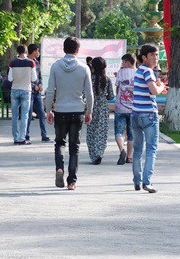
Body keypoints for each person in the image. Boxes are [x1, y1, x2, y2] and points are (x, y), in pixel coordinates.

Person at [45, 36, 93, 190]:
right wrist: (89, 111)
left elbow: (50, 90)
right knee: (74, 146)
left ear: (63, 49)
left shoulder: (55, 66)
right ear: (78, 50)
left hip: (60, 110)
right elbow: (89, 93)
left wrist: (48, 110)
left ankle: (59, 168)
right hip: (77, 110)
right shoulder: (84, 68)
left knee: (60, 143)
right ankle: (71, 182)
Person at [131, 43, 166, 193]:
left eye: (157, 55)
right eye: (152, 55)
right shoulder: (148, 71)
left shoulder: (139, 71)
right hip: (149, 114)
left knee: (138, 149)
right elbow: (154, 91)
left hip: (135, 114)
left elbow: (147, 88)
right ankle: (147, 182)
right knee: (151, 149)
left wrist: (156, 85)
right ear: (144, 57)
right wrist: (161, 86)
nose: (155, 58)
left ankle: (137, 181)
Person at [86, 57, 114, 164]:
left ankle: (94, 155)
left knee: (91, 131)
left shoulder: (89, 79)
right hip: (103, 107)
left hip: (91, 106)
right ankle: (100, 153)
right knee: (101, 131)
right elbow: (111, 96)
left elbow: (85, 93)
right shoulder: (107, 79)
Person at [8, 44, 37, 144]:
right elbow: (34, 78)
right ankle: (22, 138)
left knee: (15, 116)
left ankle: (15, 138)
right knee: (25, 115)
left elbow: (10, 79)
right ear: (26, 52)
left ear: (17, 52)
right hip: (26, 90)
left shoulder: (12, 63)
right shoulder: (31, 63)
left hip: (15, 89)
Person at [25, 43, 50, 143]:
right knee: (29, 114)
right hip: (29, 92)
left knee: (42, 113)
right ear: (34, 51)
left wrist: (40, 85)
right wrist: (33, 86)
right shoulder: (26, 62)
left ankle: (44, 135)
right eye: (37, 51)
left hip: (38, 93)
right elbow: (25, 78)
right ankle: (26, 135)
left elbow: (39, 76)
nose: (38, 53)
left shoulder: (37, 62)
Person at [114, 53, 136, 165]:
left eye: (123, 62)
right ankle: (130, 157)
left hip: (120, 107)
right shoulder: (138, 73)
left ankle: (122, 150)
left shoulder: (121, 72)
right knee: (131, 133)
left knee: (119, 132)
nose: (122, 64)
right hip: (133, 108)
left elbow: (117, 87)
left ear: (127, 62)